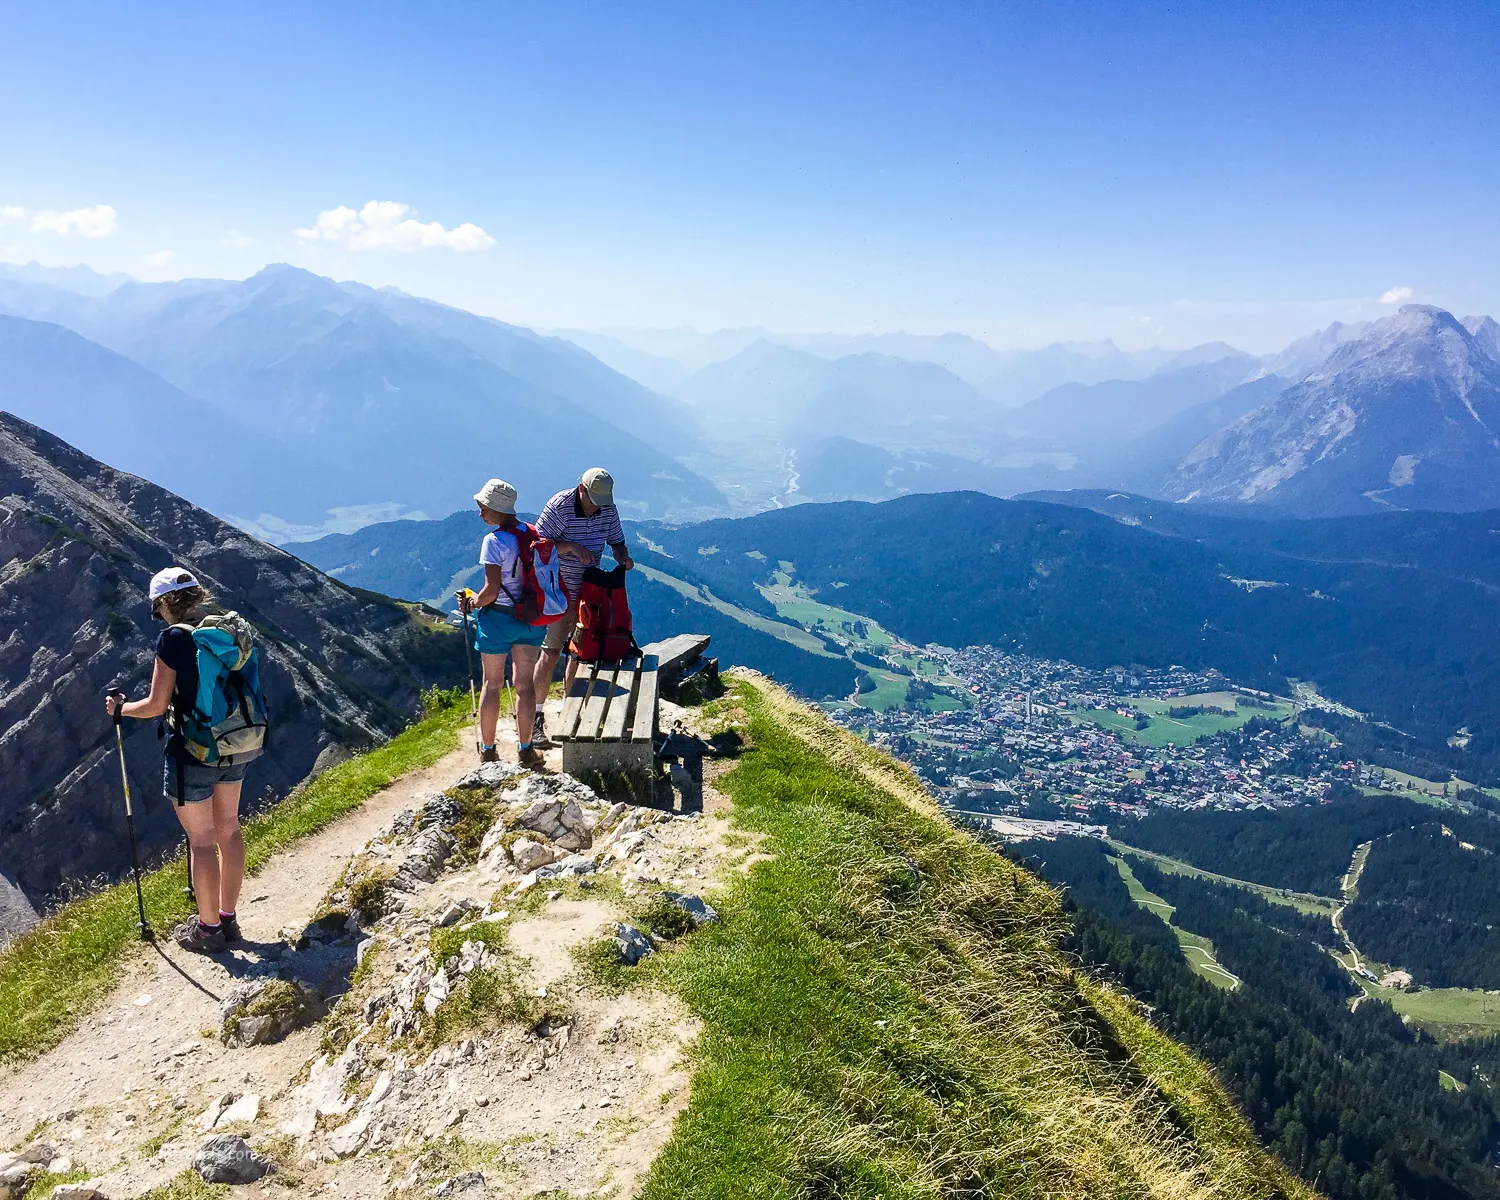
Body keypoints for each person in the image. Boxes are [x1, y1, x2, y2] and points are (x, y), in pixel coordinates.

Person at [104, 568, 258, 954]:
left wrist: (121, 709)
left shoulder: (173, 638)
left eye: (157, 610)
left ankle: (207, 930)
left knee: (201, 841)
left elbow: (157, 704)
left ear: (163, 605)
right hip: (236, 742)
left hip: (194, 750)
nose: (159, 617)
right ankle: (228, 919)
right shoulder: (225, 629)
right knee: (229, 829)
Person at [529, 467, 634, 743]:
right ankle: (536, 719)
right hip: (559, 590)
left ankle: (570, 711)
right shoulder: (560, 506)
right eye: (593, 501)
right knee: (551, 651)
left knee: (579, 652)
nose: (597, 508)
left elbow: (617, 543)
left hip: (591, 591)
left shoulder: (608, 509)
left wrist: (624, 558)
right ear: (581, 489)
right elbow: (537, 545)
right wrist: (571, 548)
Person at [458, 479, 556, 768]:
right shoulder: (534, 533)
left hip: (498, 619)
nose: (480, 514)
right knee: (524, 685)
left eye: (482, 507)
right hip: (531, 619)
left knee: (492, 683)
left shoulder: (494, 541)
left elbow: (490, 590)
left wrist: (471, 602)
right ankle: (526, 749)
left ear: (495, 508)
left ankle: (488, 750)